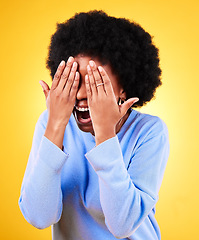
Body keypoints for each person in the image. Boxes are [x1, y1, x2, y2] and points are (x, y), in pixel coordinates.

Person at [19, 10, 169, 240]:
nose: (79, 93)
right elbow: (39, 217)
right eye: (74, 80)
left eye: (95, 83)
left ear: (124, 88)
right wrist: (55, 125)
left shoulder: (149, 132)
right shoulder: (50, 124)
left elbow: (122, 224)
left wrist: (105, 134)